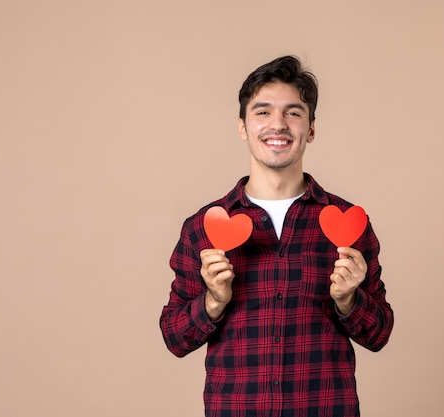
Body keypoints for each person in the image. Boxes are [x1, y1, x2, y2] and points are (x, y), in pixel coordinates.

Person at [160, 55, 394, 417]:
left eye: (294, 112)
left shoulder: (349, 224)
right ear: (242, 126)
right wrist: (213, 302)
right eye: (263, 111)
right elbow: (174, 338)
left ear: (311, 129)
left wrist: (349, 301)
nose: (278, 125)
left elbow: (379, 335)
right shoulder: (201, 228)